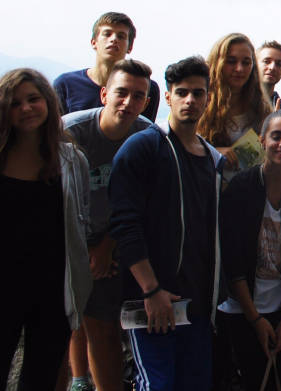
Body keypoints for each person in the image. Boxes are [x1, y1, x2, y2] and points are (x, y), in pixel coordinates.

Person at [108, 56, 224, 391]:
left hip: (198, 304)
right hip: (152, 300)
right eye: (182, 92)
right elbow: (125, 223)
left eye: (198, 93)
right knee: (156, 384)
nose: (190, 100)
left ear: (207, 98)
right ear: (169, 97)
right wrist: (151, 289)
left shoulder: (212, 160)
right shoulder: (143, 147)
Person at [62, 59, 154, 391]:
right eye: (122, 93)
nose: (129, 103)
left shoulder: (148, 137)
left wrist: (108, 246)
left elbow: (145, 203)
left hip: (112, 242)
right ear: (104, 94)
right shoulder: (70, 132)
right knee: (60, 332)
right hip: (67, 241)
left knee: (103, 329)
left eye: (138, 96)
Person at [0, 69, 91, 391]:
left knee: (41, 376)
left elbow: (80, 221)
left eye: (33, 99)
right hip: (4, 284)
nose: (25, 108)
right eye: (15, 103)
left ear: (48, 104)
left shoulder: (70, 159)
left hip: (53, 288)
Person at [219, 111, 281, 391]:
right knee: (251, 381)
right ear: (262, 141)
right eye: (276, 136)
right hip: (243, 308)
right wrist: (255, 319)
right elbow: (232, 260)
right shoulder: (240, 189)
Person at [54, 11, 161, 121]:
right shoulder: (66, 84)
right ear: (94, 42)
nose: (114, 39)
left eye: (121, 36)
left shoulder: (146, 88)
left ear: (130, 47)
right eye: (107, 34)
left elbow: (144, 131)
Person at [198, 33, 272, 178]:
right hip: (208, 191)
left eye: (246, 63)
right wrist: (214, 153)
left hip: (247, 191)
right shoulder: (201, 102)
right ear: (217, 63)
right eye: (231, 61)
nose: (239, 69)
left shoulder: (262, 109)